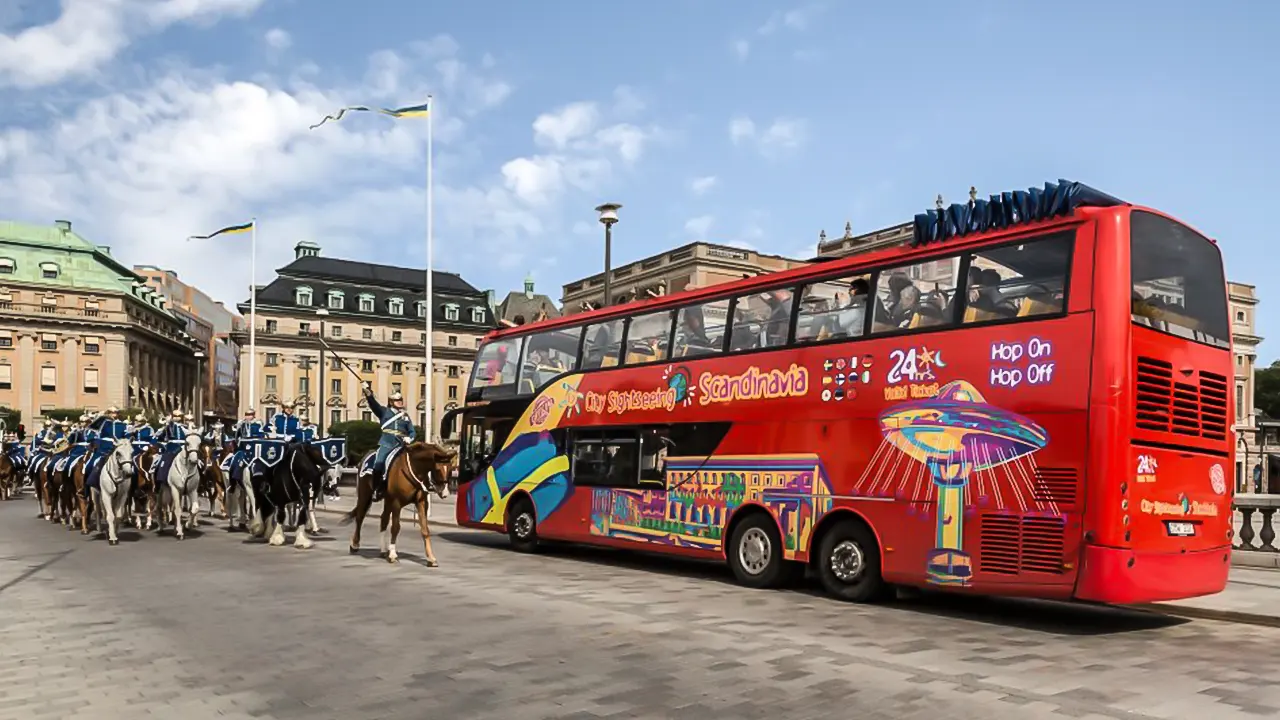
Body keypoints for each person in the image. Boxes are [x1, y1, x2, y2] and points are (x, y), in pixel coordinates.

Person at [363, 382, 414, 492]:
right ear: (391, 402)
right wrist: (367, 392)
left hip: (401, 445)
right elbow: (373, 404)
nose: (400, 402)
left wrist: (410, 438)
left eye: (401, 400)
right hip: (387, 443)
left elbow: (412, 431)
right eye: (397, 400)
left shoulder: (405, 416)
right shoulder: (384, 412)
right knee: (379, 463)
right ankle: (376, 489)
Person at [86, 407, 129, 492]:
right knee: (89, 465)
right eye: (111, 412)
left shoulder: (123, 425)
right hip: (103, 449)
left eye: (116, 413)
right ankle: (87, 488)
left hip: (118, 450)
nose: (114, 414)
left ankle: (132, 489)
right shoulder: (102, 423)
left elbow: (126, 438)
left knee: (130, 467)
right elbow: (91, 433)